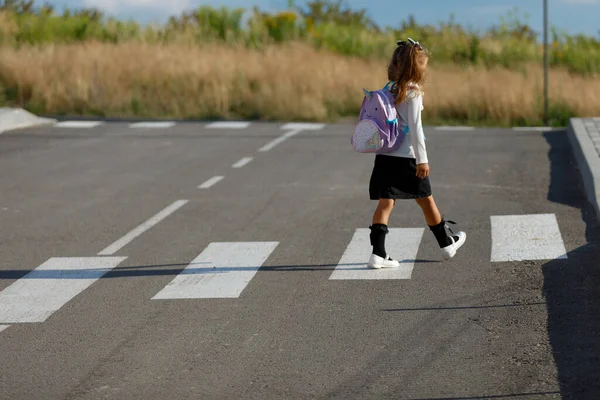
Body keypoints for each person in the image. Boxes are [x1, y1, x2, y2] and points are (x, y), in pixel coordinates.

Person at [367, 38, 467, 269]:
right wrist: (422, 160)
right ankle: (446, 243)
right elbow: (415, 129)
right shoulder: (413, 92)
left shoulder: (387, 89)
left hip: (385, 155)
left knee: (385, 203)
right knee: (426, 199)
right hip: (408, 158)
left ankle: (378, 254)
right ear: (417, 68)